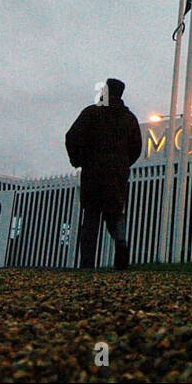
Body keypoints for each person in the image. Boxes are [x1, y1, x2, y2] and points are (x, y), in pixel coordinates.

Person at [65, 78, 142, 270]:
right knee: (115, 215)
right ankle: (121, 244)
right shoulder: (129, 119)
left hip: (93, 172)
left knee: (91, 218)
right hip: (116, 176)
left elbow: (71, 137)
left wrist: (78, 160)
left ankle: (87, 265)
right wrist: (123, 164)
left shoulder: (91, 113)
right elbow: (137, 148)